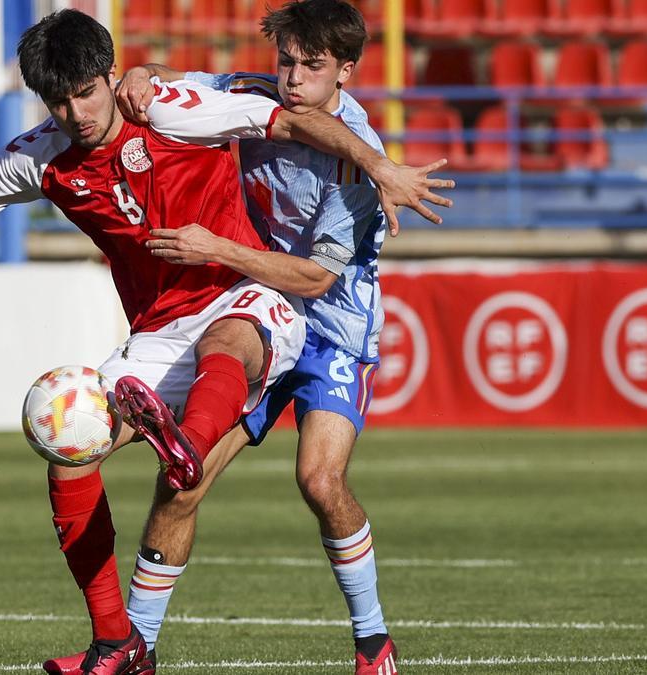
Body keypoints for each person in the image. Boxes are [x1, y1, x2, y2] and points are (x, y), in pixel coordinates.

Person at [0, 10, 448, 675]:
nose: (77, 112)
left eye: (87, 91)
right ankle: (120, 641)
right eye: (60, 99)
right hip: (164, 329)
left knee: (315, 472)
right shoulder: (44, 154)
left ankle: (370, 639)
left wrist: (377, 164)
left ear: (106, 77)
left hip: (279, 300)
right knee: (67, 445)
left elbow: (300, 179)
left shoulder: (174, 115)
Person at [112, 1, 414, 673]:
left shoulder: (358, 160)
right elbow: (173, 84)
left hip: (331, 329)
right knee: (180, 479)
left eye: (313, 66)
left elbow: (313, 277)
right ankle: (133, 646)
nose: (294, 78)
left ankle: (373, 641)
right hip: (255, 315)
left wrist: (214, 246)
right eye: (287, 61)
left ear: (345, 71)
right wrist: (142, 72)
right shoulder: (250, 95)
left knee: (319, 479)